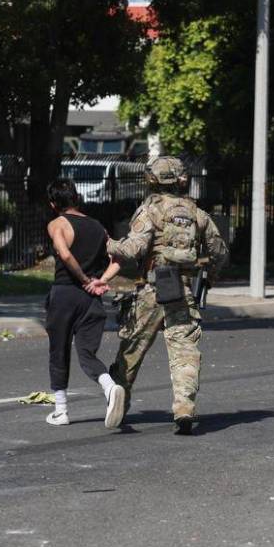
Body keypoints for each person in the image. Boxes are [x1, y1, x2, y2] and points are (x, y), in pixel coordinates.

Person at [104, 157, 228, 435]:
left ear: (151, 180)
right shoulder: (198, 214)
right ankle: (184, 408)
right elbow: (219, 251)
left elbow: (134, 249)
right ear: (182, 180)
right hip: (183, 290)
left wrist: (109, 244)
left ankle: (119, 403)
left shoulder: (149, 211)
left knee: (131, 349)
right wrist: (213, 275)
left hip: (151, 290)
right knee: (185, 351)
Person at [43, 178, 126, 428]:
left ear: (52, 203)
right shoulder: (99, 228)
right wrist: (98, 281)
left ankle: (61, 411)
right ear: (77, 198)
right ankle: (110, 388)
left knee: (59, 351)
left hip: (65, 295)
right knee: (87, 353)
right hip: (91, 299)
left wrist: (82, 279)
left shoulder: (57, 224)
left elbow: (64, 253)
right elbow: (119, 258)